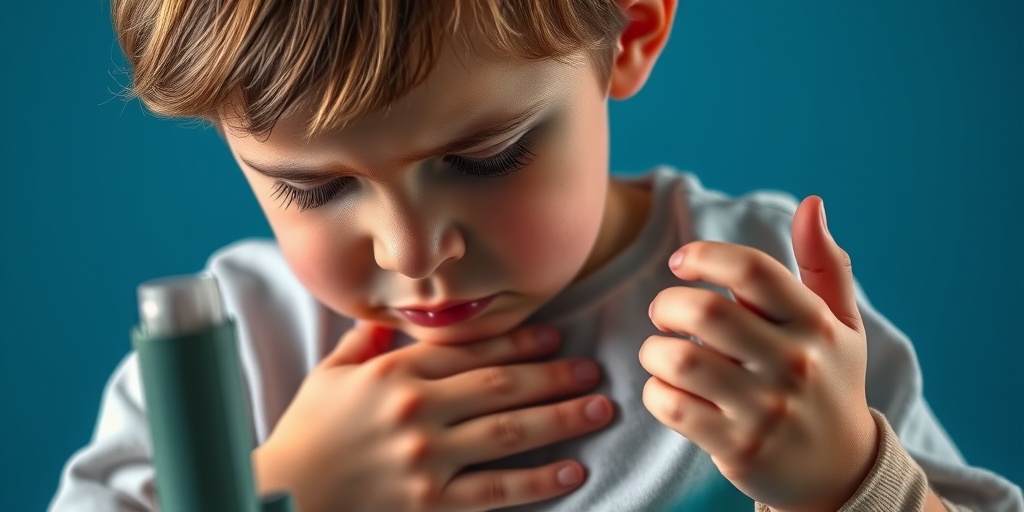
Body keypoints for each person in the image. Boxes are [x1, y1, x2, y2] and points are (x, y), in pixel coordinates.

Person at [50, 1, 1023, 511]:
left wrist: (844, 480)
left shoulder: (757, 299)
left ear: (629, 31)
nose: (412, 250)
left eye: (482, 157)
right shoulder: (226, 356)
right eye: (315, 187)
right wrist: (282, 491)